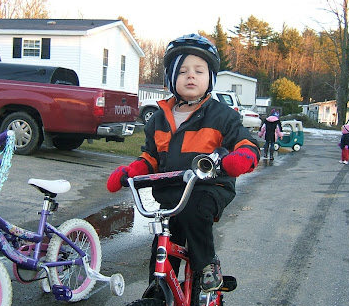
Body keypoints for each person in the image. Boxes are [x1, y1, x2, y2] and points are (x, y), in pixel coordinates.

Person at [106, 33, 260, 291]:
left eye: (199, 71)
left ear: (210, 78)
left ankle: (207, 265)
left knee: (195, 212)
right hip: (172, 193)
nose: (191, 76)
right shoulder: (158, 119)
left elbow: (246, 143)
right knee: (163, 243)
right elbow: (151, 157)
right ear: (170, 78)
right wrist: (131, 171)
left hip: (210, 189)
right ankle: (159, 294)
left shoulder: (221, 115)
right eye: (183, 71)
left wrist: (242, 157)